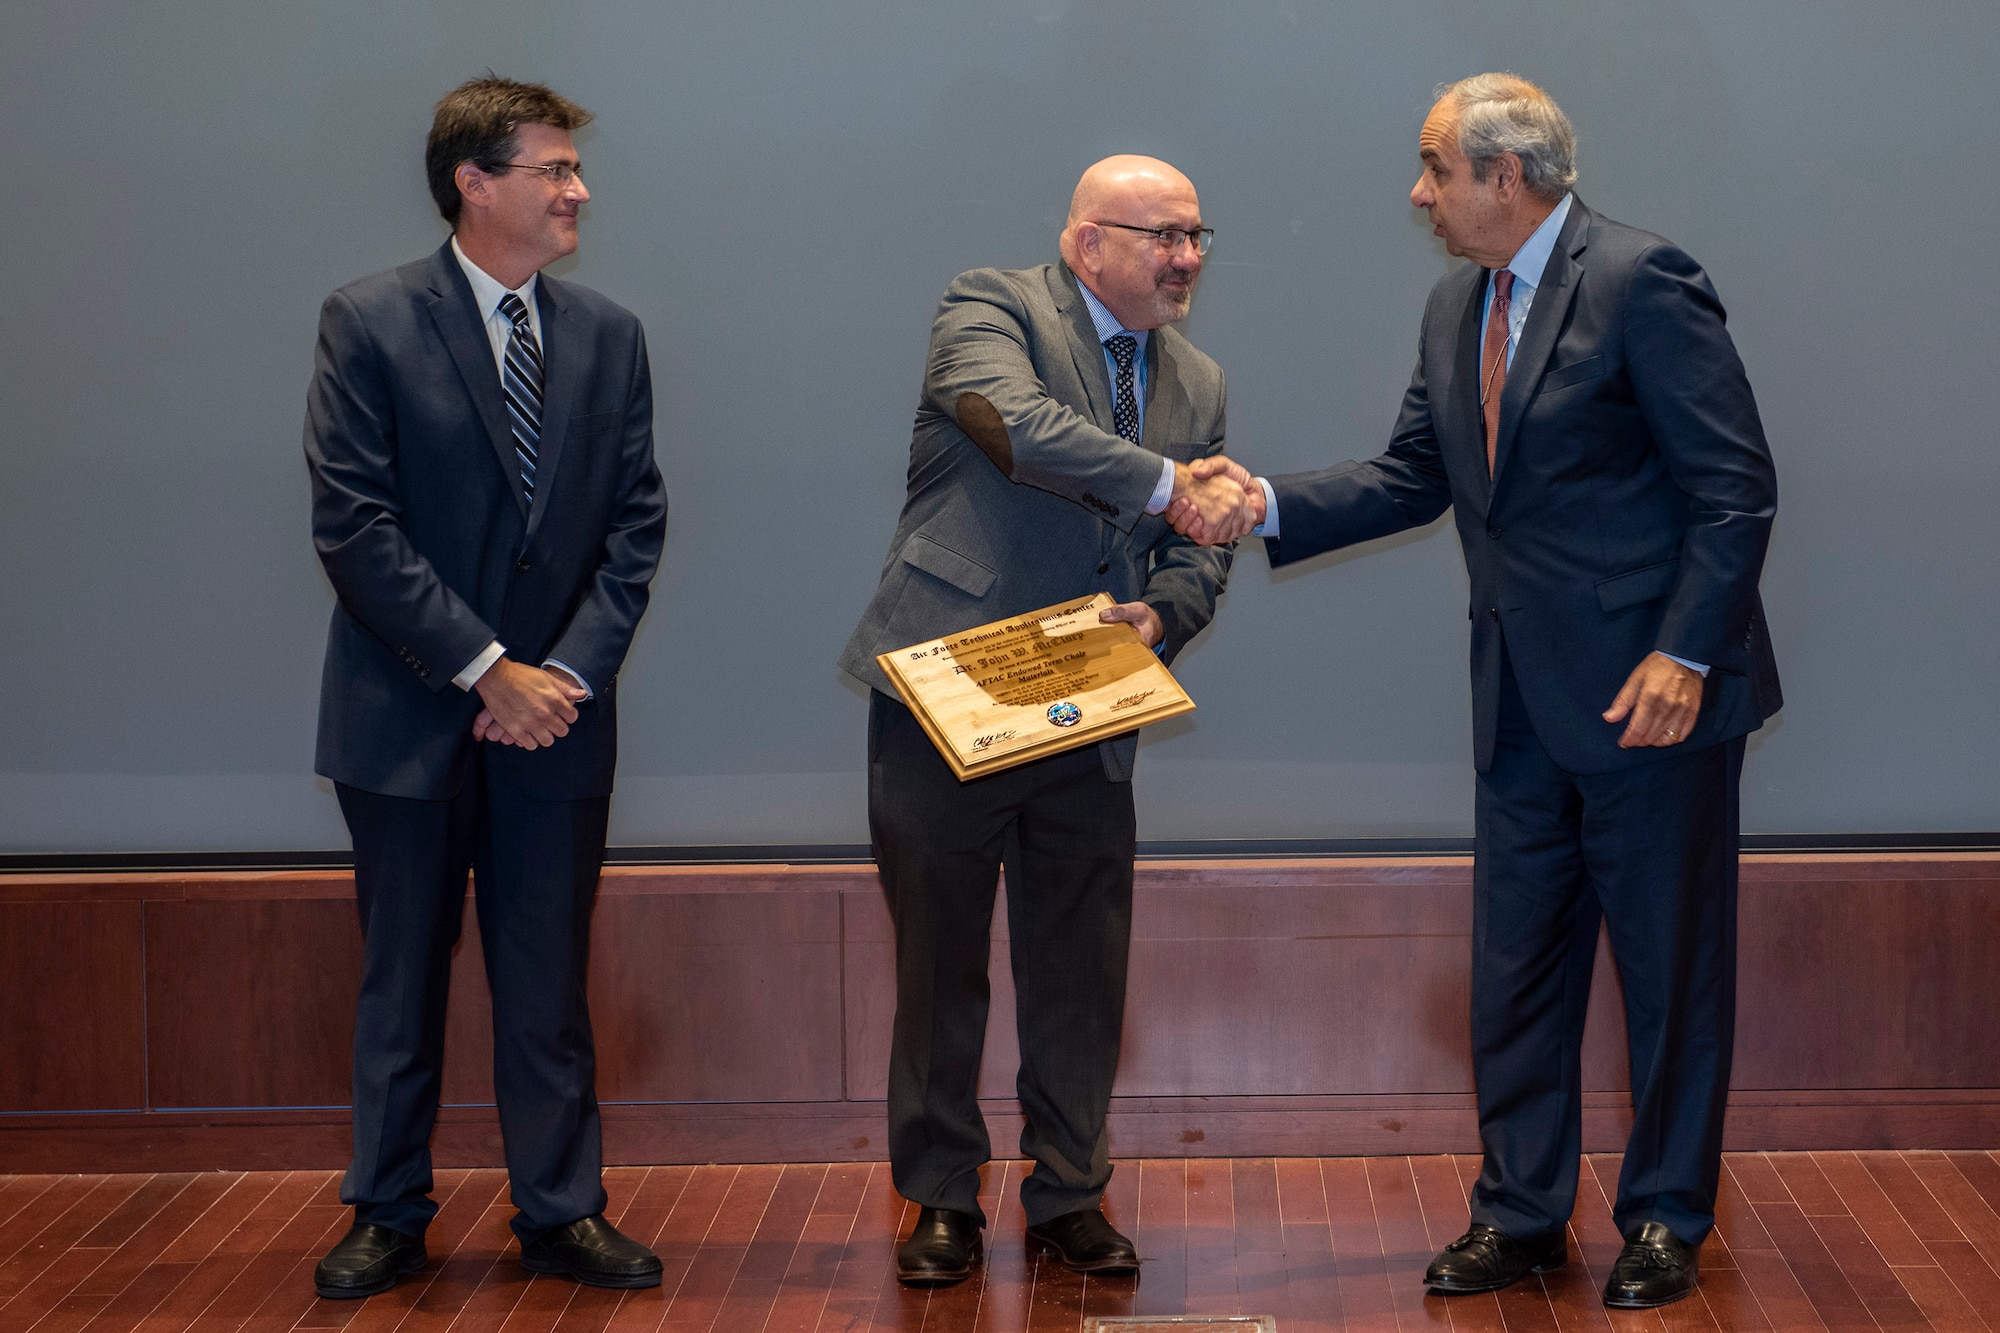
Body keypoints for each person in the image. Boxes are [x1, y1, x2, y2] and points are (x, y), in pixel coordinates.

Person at [1172, 75, 1779, 1309]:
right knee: (1515, 971)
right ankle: (1521, 1212)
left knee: (1668, 975)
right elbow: (1412, 475)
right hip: (1514, 702)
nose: (1418, 193)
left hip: (1649, 705)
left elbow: (1734, 488)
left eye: (1433, 167)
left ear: (1509, 176)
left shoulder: (1640, 280)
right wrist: (1259, 503)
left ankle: (1664, 1216)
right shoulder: (1459, 302)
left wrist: (1684, 653)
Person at [839, 156, 1254, 1286]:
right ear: (1087, 244)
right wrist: (1171, 485)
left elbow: (1198, 553)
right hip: (947, 688)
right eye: (1162, 235)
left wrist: (1160, 619)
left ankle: (1069, 1192)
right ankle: (939, 1200)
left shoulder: (1197, 379)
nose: (1186, 259)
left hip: (1088, 696)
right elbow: (1015, 427)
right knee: (941, 960)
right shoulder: (990, 307)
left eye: (1196, 235)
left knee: (1079, 963)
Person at [303, 76, 668, 1299]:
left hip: (556, 722)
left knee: (545, 979)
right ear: (471, 179)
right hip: (406, 713)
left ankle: (561, 1210)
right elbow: (354, 528)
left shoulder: (610, 335)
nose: (576, 191)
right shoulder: (367, 320)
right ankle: (388, 1212)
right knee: (399, 979)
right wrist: (484, 667)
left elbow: (635, 529)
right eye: (552, 169)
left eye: (575, 172)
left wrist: (555, 676)